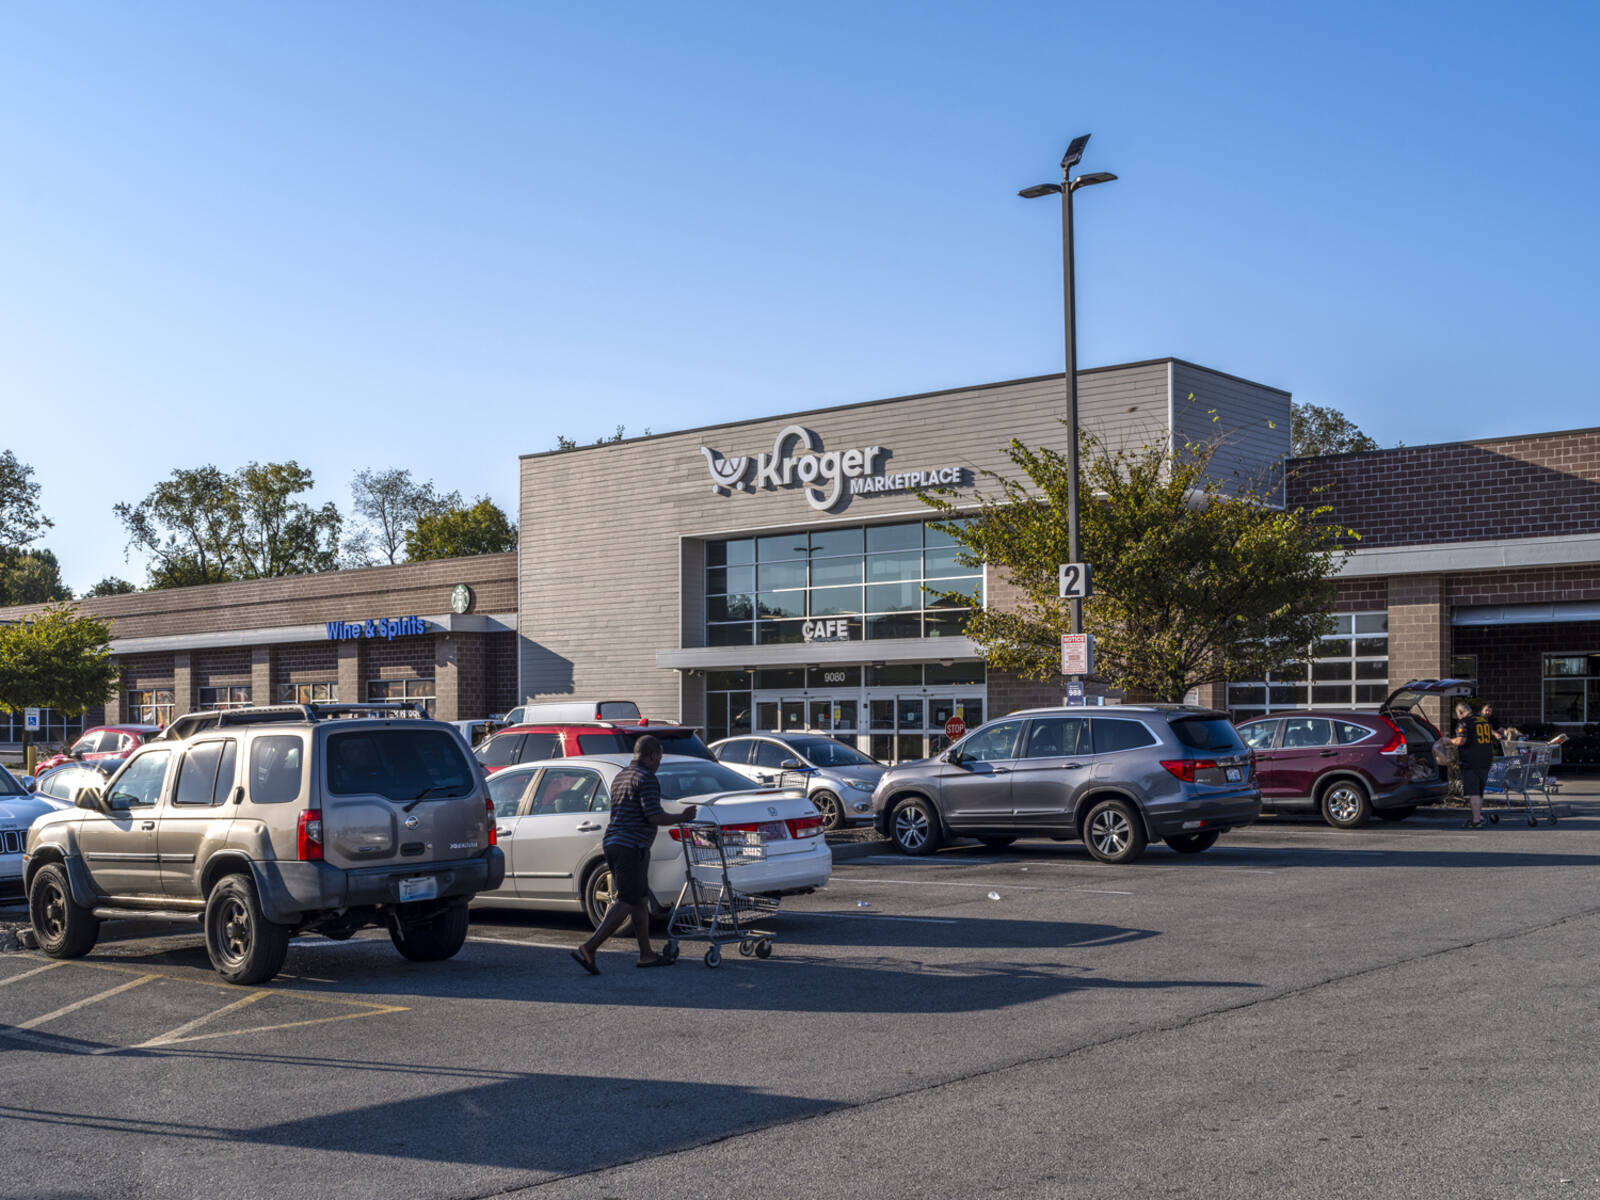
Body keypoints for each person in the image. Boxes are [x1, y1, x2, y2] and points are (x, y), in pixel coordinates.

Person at [571, 734, 696, 973]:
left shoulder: (621, 776)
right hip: (630, 846)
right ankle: (590, 947)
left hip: (615, 843)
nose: (659, 763)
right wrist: (683, 817)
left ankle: (646, 954)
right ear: (652, 756)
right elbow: (654, 816)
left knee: (640, 899)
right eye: (658, 757)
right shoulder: (646, 778)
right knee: (627, 899)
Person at [1450, 699, 1497, 829]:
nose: (1458, 717)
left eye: (1457, 714)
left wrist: (1448, 740)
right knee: (1479, 790)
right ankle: (1478, 815)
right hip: (1486, 759)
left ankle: (1476, 820)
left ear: (1460, 712)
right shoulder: (1483, 720)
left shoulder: (1464, 722)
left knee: (1474, 791)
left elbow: (1461, 740)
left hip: (1471, 760)